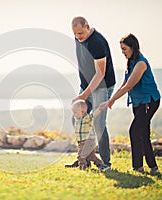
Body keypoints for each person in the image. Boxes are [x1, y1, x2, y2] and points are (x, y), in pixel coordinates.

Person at [100, 33, 160, 174]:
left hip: (149, 101)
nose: (123, 52)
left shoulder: (140, 63)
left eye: (125, 49)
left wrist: (111, 101)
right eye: (121, 49)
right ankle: (153, 167)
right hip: (138, 102)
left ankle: (137, 166)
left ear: (133, 47)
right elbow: (124, 84)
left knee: (135, 131)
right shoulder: (131, 62)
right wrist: (111, 100)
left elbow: (128, 87)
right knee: (143, 133)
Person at [69, 16, 116, 167]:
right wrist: (83, 90)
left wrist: (84, 95)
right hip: (86, 85)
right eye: (75, 34)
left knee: (98, 124)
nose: (78, 37)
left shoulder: (98, 42)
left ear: (88, 27)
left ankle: (105, 162)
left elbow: (100, 73)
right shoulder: (78, 38)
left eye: (80, 33)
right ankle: (86, 156)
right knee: (77, 118)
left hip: (102, 86)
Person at [65, 99, 110, 171]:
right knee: (91, 156)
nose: (74, 115)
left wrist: (99, 109)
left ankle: (82, 167)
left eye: (75, 112)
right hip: (83, 142)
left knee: (81, 155)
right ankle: (101, 165)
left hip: (87, 141)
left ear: (82, 112)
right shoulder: (78, 119)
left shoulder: (87, 118)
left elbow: (93, 115)